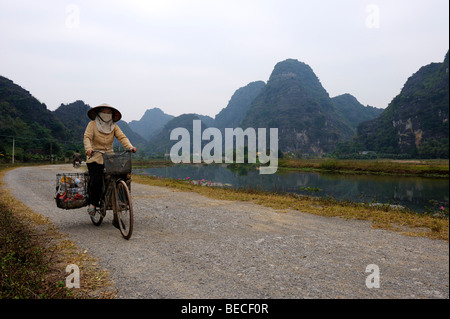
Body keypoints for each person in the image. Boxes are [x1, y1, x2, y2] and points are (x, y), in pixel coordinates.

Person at [83, 103, 137, 222]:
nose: (107, 115)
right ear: (98, 113)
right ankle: (93, 203)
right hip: (95, 157)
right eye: (104, 112)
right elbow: (87, 137)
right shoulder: (92, 125)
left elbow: (122, 137)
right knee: (96, 180)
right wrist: (88, 148)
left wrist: (130, 147)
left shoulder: (114, 126)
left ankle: (121, 200)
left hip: (109, 158)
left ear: (112, 115)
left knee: (122, 175)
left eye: (109, 113)